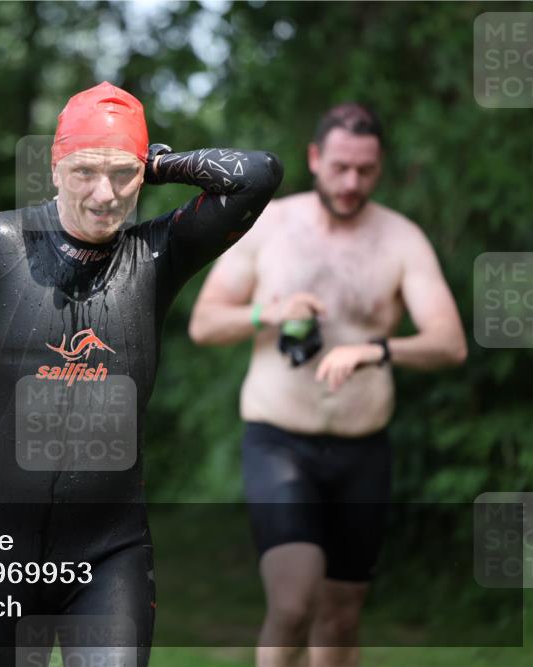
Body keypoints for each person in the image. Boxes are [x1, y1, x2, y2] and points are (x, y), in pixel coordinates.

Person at [0, 81, 283, 666]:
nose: (104, 195)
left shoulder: (156, 255)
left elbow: (258, 174)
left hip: (112, 553)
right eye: (85, 171)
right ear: (54, 167)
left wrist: (155, 161)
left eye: (123, 175)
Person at [188, 103, 467, 667]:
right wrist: (268, 311)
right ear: (315, 158)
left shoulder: (401, 240)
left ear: (380, 167)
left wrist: (378, 348)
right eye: (340, 167)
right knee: (293, 602)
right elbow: (205, 323)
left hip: (363, 448)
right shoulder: (269, 226)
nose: (351, 182)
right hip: (278, 440)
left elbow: (450, 343)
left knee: (341, 618)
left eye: (365, 170)